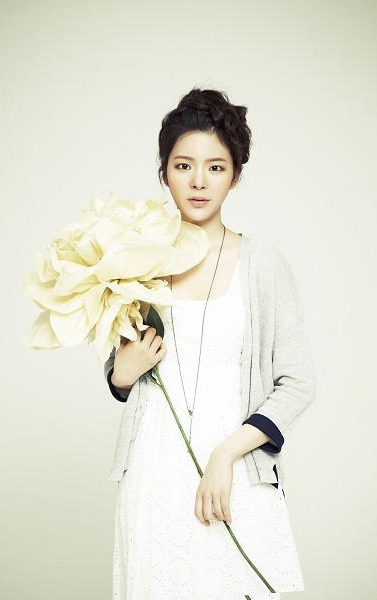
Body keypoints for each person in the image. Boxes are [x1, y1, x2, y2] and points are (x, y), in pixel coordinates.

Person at [104, 87, 316, 600]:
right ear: (164, 172)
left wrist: (225, 455)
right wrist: (122, 374)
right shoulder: (140, 264)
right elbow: (121, 370)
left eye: (216, 167)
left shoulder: (263, 265)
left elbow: (298, 383)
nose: (199, 181)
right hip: (154, 470)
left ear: (235, 175)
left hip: (235, 470)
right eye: (183, 166)